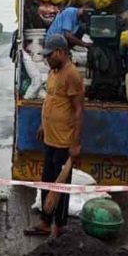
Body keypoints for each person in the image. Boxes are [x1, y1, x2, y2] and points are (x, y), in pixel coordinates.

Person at [23, 34, 84, 238]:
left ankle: (60, 228)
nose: (47, 58)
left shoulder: (72, 74)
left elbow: (78, 111)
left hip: (63, 142)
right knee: (47, 181)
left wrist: (75, 144)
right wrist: (43, 124)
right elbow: (51, 99)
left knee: (61, 187)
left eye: (50, 55)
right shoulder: (53, 71)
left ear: (60, 52)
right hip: (49, 138)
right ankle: (45, 222)